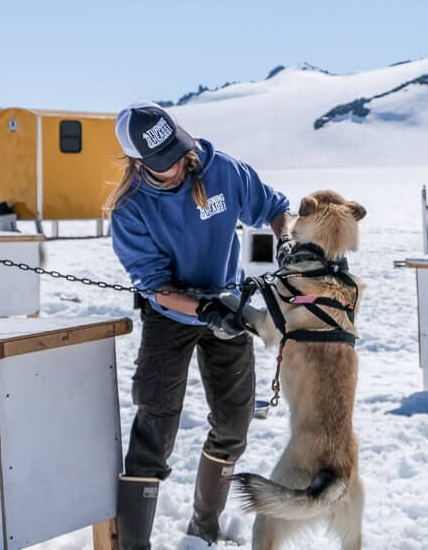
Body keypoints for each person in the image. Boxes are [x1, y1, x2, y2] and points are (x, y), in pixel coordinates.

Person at [105, 102, 291, 549]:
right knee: (156, 427)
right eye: (161, 163)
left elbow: (277, 208)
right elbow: (156, 287)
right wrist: (205, 311)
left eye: (175, 152)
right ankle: (134, 545)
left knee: (234, 423)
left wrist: (287, 239)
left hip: (229, 301)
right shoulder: (130, 212)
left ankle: (205, 525)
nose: (174, 167)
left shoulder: (221, 171)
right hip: (170, 315)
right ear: (136, 162)